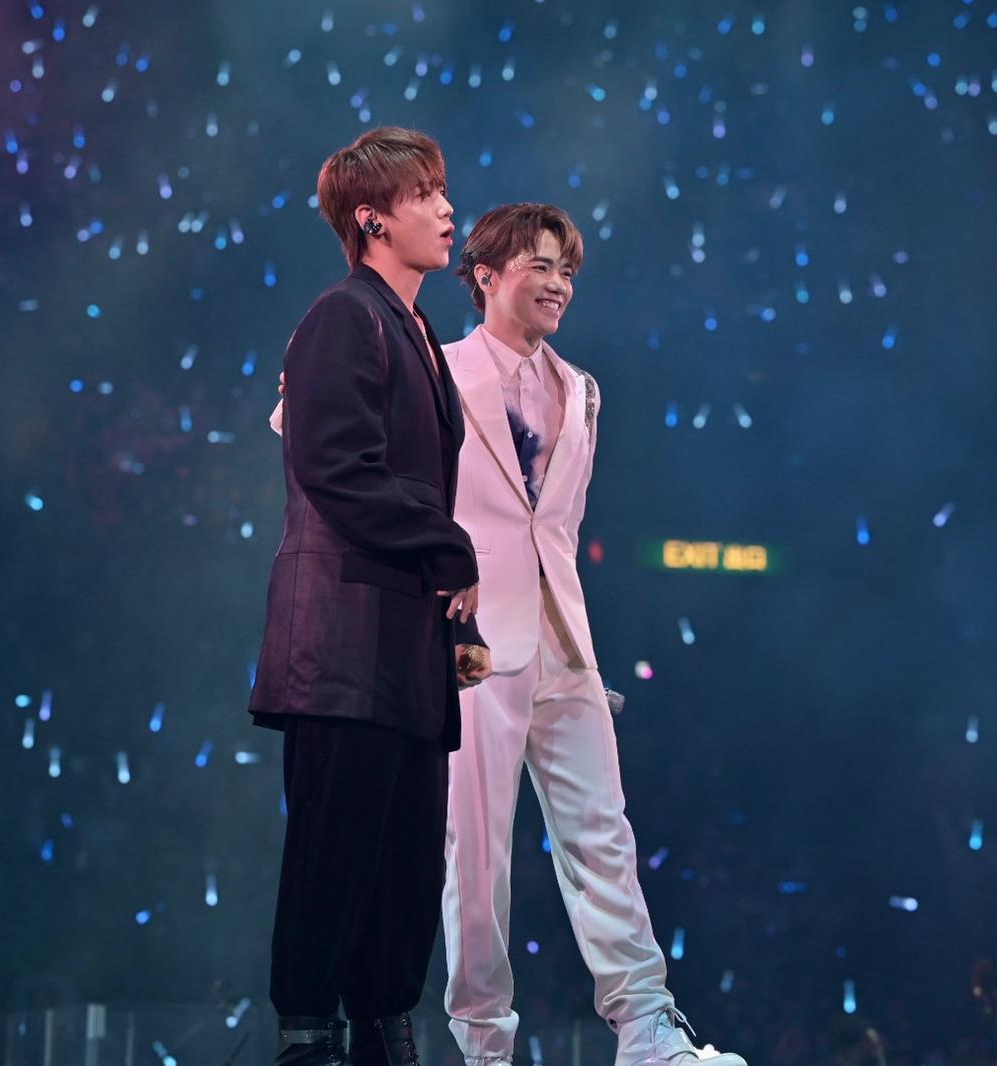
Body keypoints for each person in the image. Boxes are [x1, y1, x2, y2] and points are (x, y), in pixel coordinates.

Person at [276, 203, 745, 1066]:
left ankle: (648, 1029)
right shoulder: (435, 367)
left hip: (565, 640)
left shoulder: (584, 391)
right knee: (476, 856)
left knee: (604, 835)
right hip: (469, 641)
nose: (559, 284)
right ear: (486, 275)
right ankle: (484, 1045)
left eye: (567, 270)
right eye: (540, 265)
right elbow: (310, 427)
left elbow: (555, 529)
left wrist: (574, 642)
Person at [248, 126, 491, 1066]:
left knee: (404, 870)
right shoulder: (343, 317)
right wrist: (449, 548)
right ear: (371, 218)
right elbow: (335, 466)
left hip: (405, 650)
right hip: (344, 648)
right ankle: (309, 1040)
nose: (446, 208)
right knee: (335, 857)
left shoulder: (417, 331)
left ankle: (385, 1037)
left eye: (442, 189)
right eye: (424, 193)